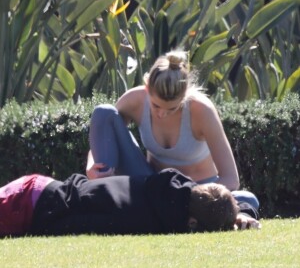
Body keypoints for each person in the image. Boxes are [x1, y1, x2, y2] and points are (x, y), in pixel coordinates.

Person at [87, 49, 260, 210]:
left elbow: (231, 179)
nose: (162, 113)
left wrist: (192, 196)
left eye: (171, 109)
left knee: (248, 200)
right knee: (104, 112)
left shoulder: (202, 110)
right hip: (152, 186)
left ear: (184, 96)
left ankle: (155, 213)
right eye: (155, 106)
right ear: (147, 88)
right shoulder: (135, 100)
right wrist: (91, 165)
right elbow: (105, 133)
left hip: (195, 194)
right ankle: (102, 201)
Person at [0, 168, 260, 237]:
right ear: (192, 223)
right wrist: (39, 229)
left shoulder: (173, 184)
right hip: (32, 206)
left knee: (249, 199)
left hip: (41, 189)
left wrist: (242, 212)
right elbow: (78, 224)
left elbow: (242, 199)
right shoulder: (145, 221)